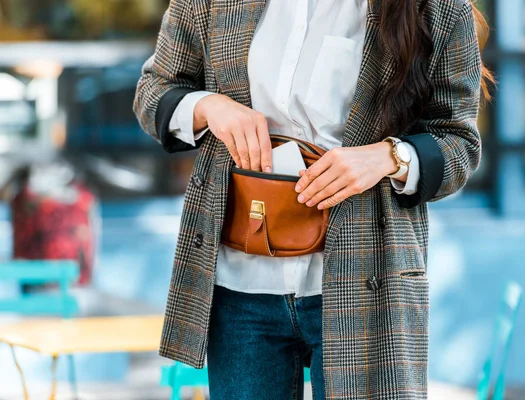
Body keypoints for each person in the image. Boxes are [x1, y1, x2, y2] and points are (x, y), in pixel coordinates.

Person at [134, 0, 493, 398]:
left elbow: (459, 144)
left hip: (365, 280)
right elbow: (153, 93)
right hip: (240, 284)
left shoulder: (439, 9)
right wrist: (209, 107)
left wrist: (388, 157)